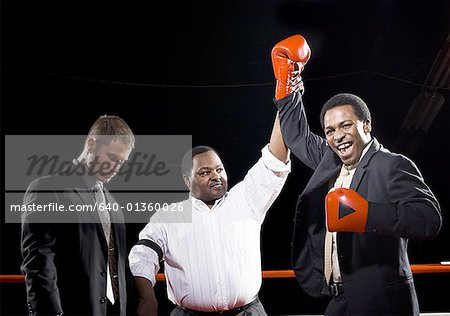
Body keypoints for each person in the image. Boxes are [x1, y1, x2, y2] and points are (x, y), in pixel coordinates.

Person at [272, 35, 442, 315]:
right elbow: (297, 135)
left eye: (346, 125)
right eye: (330, 131)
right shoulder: (331, 159)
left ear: (366, 125)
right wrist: (286, 87)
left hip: (382, 302)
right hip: (338, 300)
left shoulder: (391, 165)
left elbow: (429, 219)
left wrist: (366, 215)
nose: (338, 136)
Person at [128, 111, 291, 315]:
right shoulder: (168, 217)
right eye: (205, 172)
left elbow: (274, 160)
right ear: (187, 181)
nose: (216, 176)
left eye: (219, 169)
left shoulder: (245, 198)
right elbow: (142, 254)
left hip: (249, 311)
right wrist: (147, 297)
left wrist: (285, 100)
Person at [21, 115, 136, 316]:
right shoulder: (47, 189)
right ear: (91, 145)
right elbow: (38, 265)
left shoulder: (114, 205)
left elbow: (117, 266)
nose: (117, 169)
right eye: (112, 158)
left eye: (122, 162)